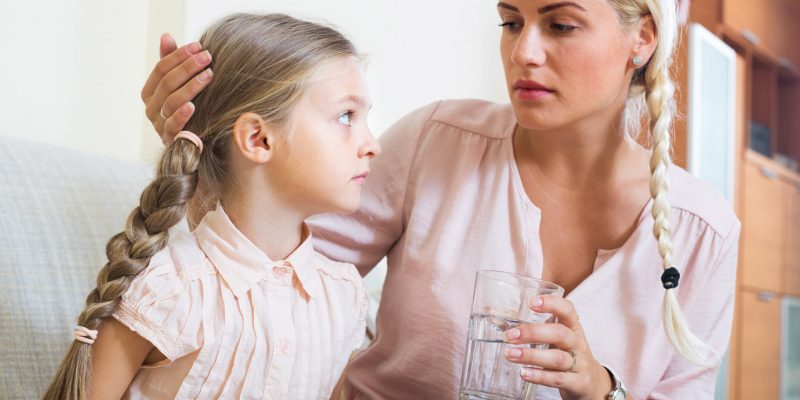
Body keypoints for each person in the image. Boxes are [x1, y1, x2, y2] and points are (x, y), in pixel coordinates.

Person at [144, 0, 740, 398]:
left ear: (643, 39)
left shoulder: (703, 234)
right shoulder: (438, 141)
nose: (523, 53)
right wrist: (202, 142)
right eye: (511, 22)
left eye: (560, 25)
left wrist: (599, 388)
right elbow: (261, 264)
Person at [45, 13, 380, 399]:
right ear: (258, 138)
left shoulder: (344, 298)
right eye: (346, 116)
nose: (373, 144)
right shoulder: (165, 289)